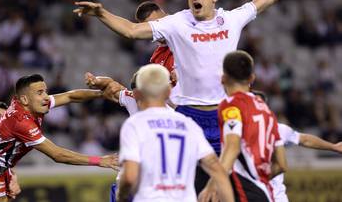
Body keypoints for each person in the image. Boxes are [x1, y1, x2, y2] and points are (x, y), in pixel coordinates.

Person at [74, 0, 309, 190]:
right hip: (188, 116)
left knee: (228, 183)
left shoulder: (231, 20)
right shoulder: (176, 24)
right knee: (183, 184)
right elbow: (131, 30)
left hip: (225, 114)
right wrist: (101, 13)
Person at [0, 74, 118, 202]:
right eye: (40, 92)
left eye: (46, 92)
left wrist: (101, 95)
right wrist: (99, 160)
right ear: (25, 99)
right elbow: (57, 155)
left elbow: (70, 96)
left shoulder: (30, 105)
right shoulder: (21, 122)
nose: (45, 97)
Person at [117, 64, 234, 202]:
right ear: (168, 92)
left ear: (137, 94)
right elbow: (218, 170)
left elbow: (130, 176)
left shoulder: (134, 125)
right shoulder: (188, 124)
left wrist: (121, 196)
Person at [200, 51, 287, 202]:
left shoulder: (231, 105)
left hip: (244, 191)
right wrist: (260, 179)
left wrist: (213, 184)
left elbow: (232, 148)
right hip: (266, 193)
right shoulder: (267, 111)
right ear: (252, 78)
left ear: (223, 78)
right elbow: (281, 164)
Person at [251, 90, 342, 202]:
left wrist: (334, 147)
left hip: (275, 197)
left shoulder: (279, 129)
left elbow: (305, 140)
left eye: (260, 104)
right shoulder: (236, 133)